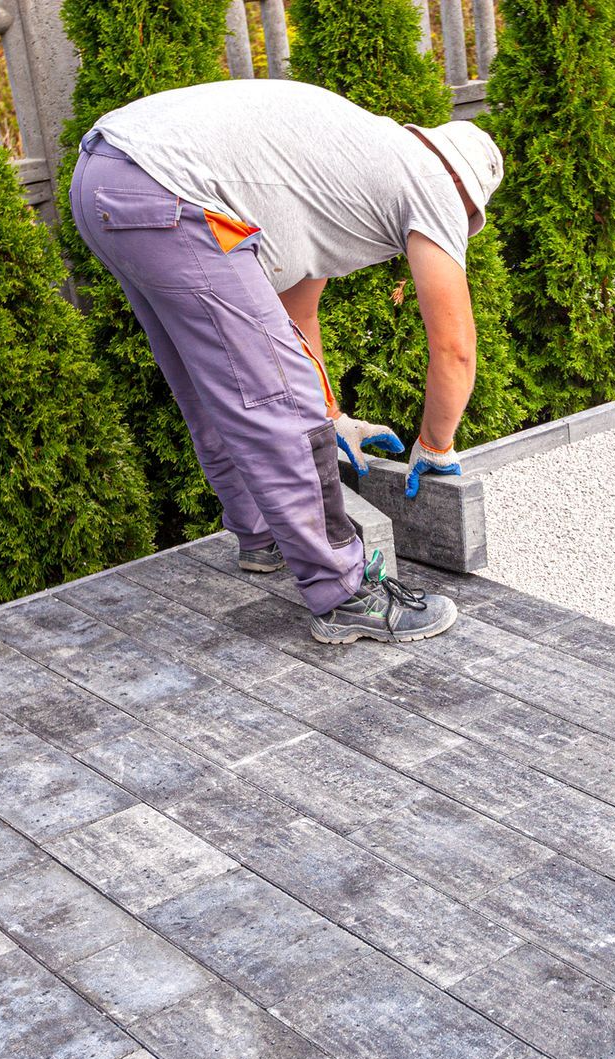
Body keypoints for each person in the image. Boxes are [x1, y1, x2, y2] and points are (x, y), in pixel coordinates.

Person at [69, 78, 504, 644]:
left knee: (215, 380)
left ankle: (263, 536)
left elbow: (295, 322)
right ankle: (345, 593)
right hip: (164, 186)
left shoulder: (347, 167)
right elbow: (454, 348)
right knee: (281, 397)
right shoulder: (435, 187)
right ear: (465, 196)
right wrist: (437, 446)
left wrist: (335, 417)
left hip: (106, 175)